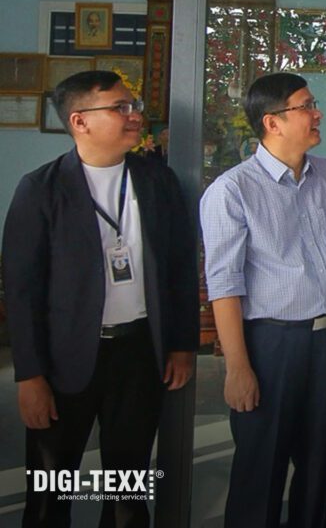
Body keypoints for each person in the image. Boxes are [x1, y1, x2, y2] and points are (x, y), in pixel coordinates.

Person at [2, 70, 198, 526]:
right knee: (52, 489)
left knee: (127, 489)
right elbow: (22, 289)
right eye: (120, 108)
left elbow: (180, 269)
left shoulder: (156, 180)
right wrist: (29, 376)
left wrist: (182, 344)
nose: (134, 116)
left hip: (137, 356)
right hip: (62, 360)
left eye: (134, 107)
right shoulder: (41, 189)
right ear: (79, 121)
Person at [199, 73, 326, 528]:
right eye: (305, 106)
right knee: (260, 472)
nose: (317, 113)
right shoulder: (232, 191)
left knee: (319, 467)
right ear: (273, 122)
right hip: (270, 346)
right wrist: (238, 366)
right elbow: (224, 285)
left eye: (313, 104)